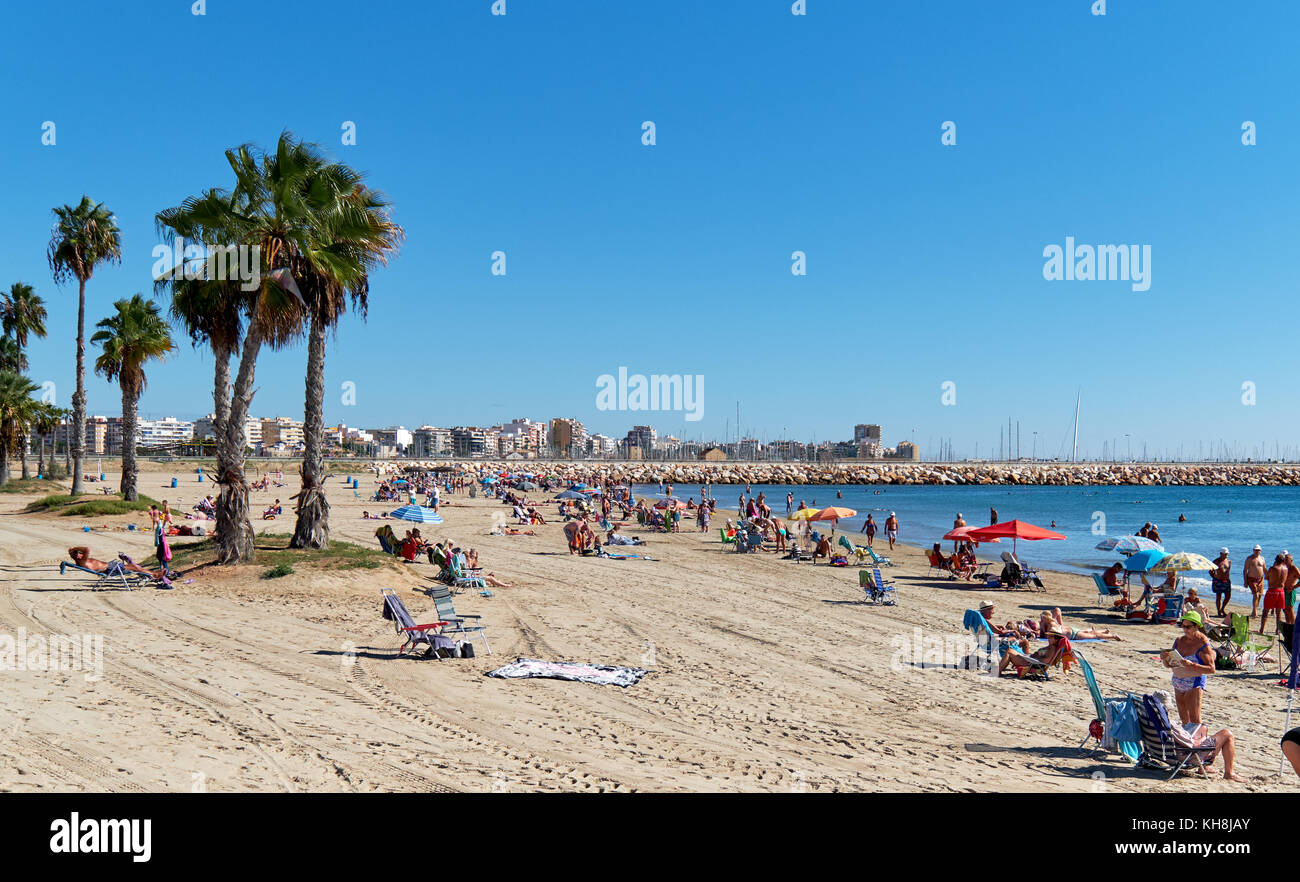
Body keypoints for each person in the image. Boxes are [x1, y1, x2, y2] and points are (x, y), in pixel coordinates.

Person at [67, 546, 170, 585]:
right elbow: (87, 549)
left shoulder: (80, 560)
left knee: (136, 567)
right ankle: (155, 575)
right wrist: (75, 549)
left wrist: (73, 551)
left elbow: (83, 551)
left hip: (110, 566)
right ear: (75, 557)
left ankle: (154, 574)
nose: (80, 555)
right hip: (109, 569)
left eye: (79, 553)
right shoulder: (82, 561)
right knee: (135, 567)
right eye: (77, 554)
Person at [1261, 553, 1289, 636]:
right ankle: (1277, 630)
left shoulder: (1273, 568)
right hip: (1281, 591)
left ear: (1275, 560)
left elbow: (1267, 577)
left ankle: (1262, 629)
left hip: (1272, 591)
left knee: (1265, 611)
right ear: (1283, 561)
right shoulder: (1286, 569)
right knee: (1279, 612)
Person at [1244, 545, 1267, 618]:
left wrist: (1269, 576)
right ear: (1253, 550)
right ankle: (1254, 612)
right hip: (1251, 579)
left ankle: (1255, 609)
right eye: (1256, 550)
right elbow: (1245, 570)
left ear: (1260, 551)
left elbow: (1264, 569)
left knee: (1260, 595)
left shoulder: (1262, 558)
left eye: (1258, 550)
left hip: (1260, 579)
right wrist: (1245, 581)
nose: (1257, 551)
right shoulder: (1249, 559)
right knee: (1256, 594)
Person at [1210, 547, 1232, 618]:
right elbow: (1210, 571)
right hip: (1218, 581)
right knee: (1218, 597)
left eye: (1227, 554)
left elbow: (1228, 571)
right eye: (1225, 554)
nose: (1226, 555)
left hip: (1226, 581)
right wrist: (1215, 577)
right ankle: (1219, 611)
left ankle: (1222, 609)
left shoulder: (1228, 561)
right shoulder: (1216, 561)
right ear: (1221, 554)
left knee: (1228, 596)